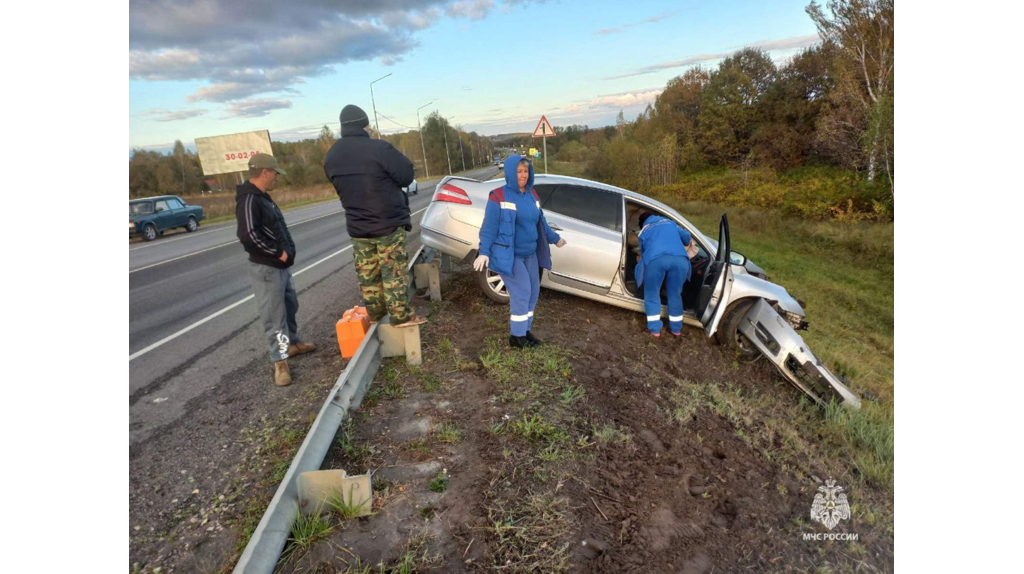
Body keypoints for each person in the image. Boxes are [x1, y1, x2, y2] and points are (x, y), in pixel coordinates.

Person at [324, 104, 427, 328]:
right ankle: (400, 317)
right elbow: (406, 176)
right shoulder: (379, 149)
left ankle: (377, 315)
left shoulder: (332, 155)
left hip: (358, 227)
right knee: (393, 272)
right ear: (365, 124)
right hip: (387, 223)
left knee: (368, 275)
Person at [236, 154, 316, 387]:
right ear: (264, 172)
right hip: (267, 268)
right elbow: (248, 235)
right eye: (275, 173)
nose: (276, 178)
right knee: (274, 317)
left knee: (290, 305)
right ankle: (279, 361)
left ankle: (292, 343)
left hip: (280, 267)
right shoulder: (249, 200)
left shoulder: (263, 197)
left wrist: (286, 253)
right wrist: (277, 253)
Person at [474, 156, 567, 348]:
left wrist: (555, 239)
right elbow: (489, 228)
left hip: (530, 254)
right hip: (510, 255)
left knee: (533, 292)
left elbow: (540, 222)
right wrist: (484, 251)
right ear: (510, 173)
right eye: (518, 172)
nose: (523, 175)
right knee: (522, 292)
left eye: (525, 171)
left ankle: (525, 330)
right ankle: (516, 337)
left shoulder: (532, 195)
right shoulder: (499, 196)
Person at [634, 212, 694, 338]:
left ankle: (655, 330)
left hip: (655, 259)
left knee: (652, 292)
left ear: (643, 223)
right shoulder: (671, 223)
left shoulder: (644, 230)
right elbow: (687, 238)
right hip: (680, 260)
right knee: (675, 294)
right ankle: (676, 329)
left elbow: (644, 252)